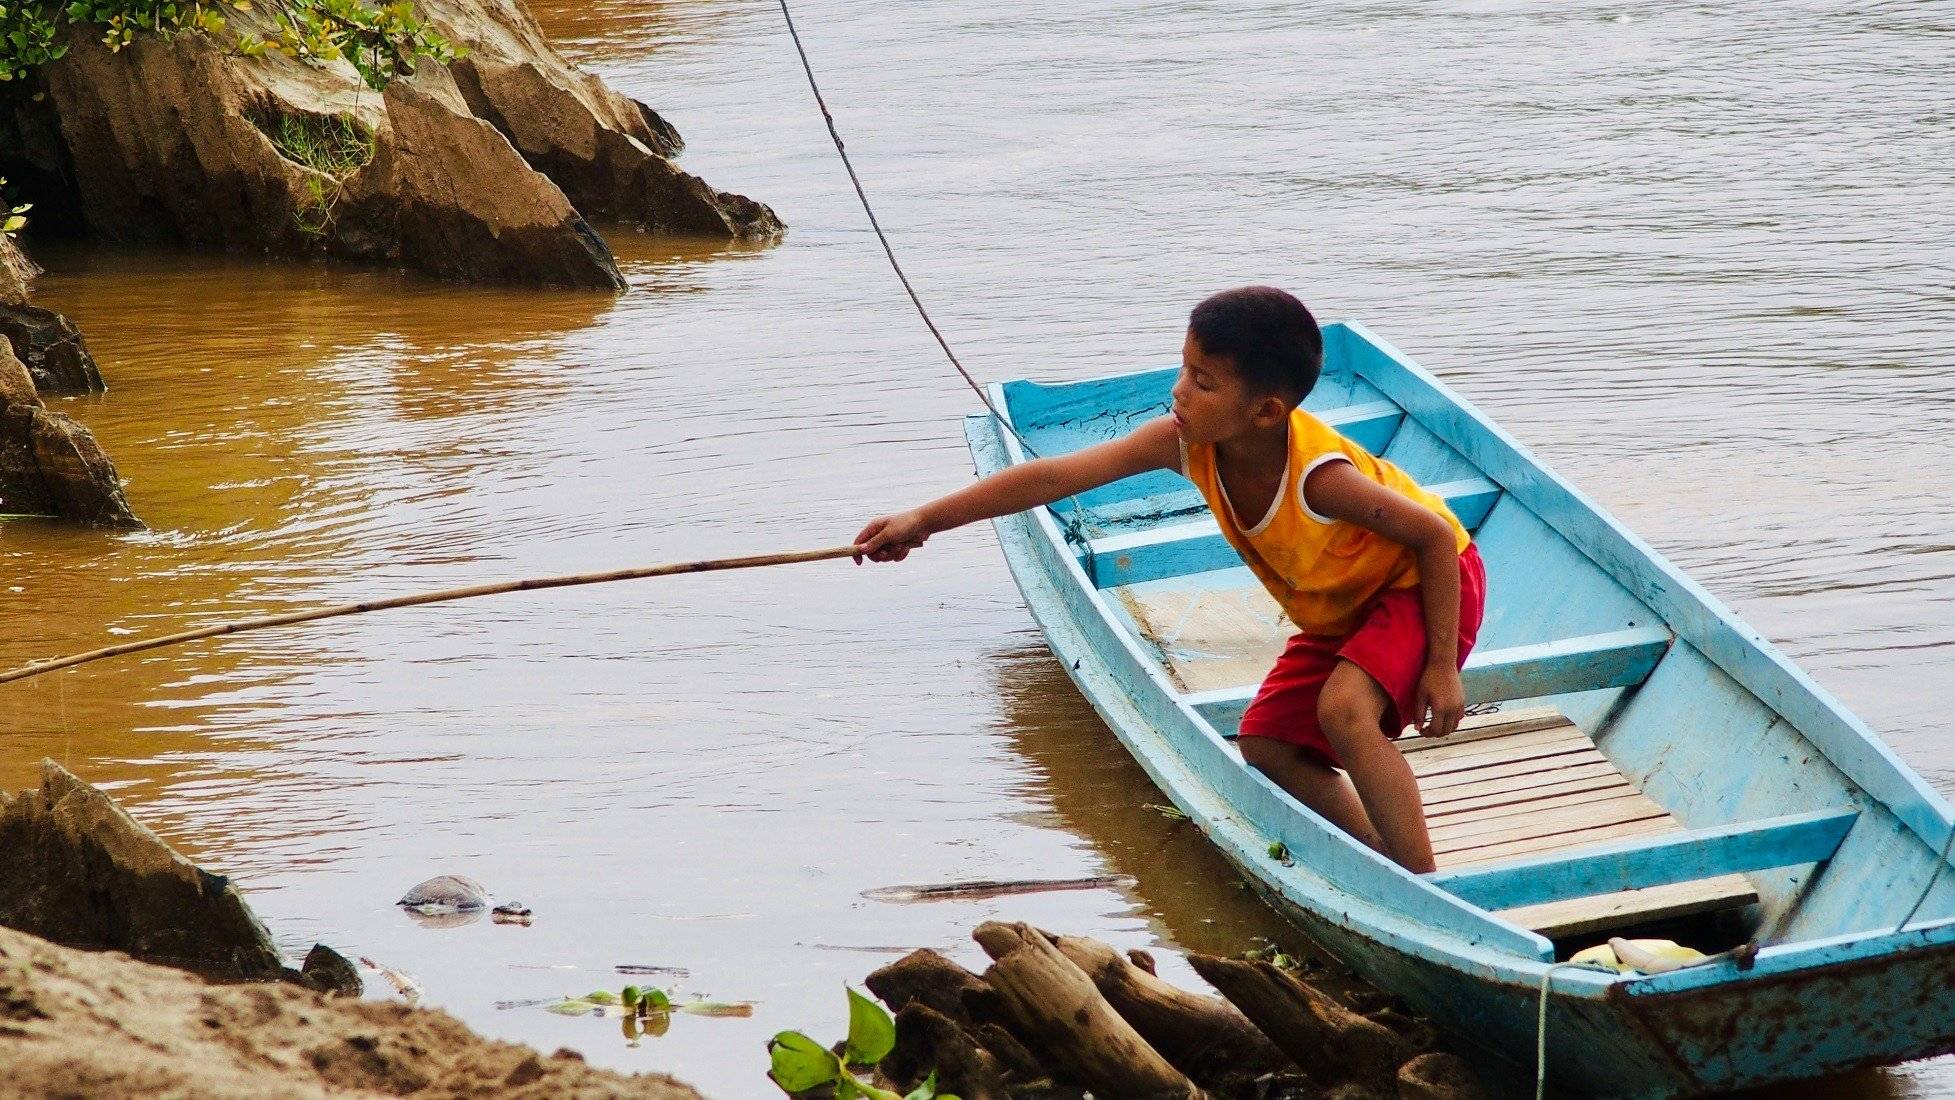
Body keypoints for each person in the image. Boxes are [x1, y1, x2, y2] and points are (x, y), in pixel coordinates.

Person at [852, 287, 1485, 873]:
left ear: (1266, 411)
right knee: (1267, 742)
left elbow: (1431, 536)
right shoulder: (1185, 445)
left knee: (1344, 712)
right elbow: (1055, 478)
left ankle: (1421, 881)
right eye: (1185, 370)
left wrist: (1441, 669)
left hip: (1425, 583)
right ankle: (1376, 859)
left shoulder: (1322, 478)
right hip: (1343, 601)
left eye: (1203, 384)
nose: (1179, 392)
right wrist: (924, 519)